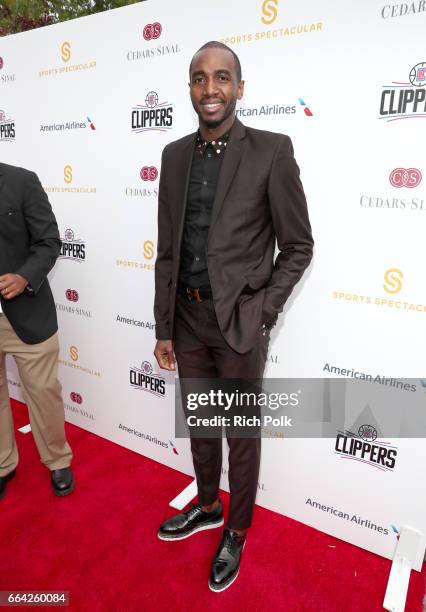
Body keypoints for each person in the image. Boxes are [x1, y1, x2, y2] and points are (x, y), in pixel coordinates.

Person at [154, 41, 313, 592]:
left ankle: (237, 530)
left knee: (240, 436)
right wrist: (162, 326)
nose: (210, 89)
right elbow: (168, 250)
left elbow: (298, 246)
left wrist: (263, 312)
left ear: (239, 88)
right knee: (201, 426)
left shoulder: (271, 151)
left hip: (239, 327)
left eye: (222, 78)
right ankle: (206, 506)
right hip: (188, 322)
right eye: (199, 79)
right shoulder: (174, 156)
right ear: (190, 88)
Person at [0, 162, 74, 501]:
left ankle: (57, 459)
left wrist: (25, 276)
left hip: (27, 311)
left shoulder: (21, 180)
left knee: (44, 392)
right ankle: (3, 464)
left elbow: (48, 241)